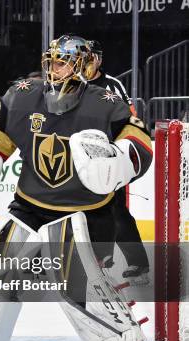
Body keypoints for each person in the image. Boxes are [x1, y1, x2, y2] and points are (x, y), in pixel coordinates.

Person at [0, 35, 153, 341]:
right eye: (51, 61)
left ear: (82, 66)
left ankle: (118, 339)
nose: (54, 68)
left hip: (85, 211)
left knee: (73, 279)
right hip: (28, 205)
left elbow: (140, 141)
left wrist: (121, 159)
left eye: (63, 62)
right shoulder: (23, 94)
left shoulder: (104, 102)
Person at [85, 40, 149, 285]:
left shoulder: (112, 85)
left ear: (99, 59)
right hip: (79, 157)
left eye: (93, 57)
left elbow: (129, 119)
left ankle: (137, 264)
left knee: (115, 210)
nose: (89, 62)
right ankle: (95, 262)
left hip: (108, 158)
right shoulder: (72, 84)